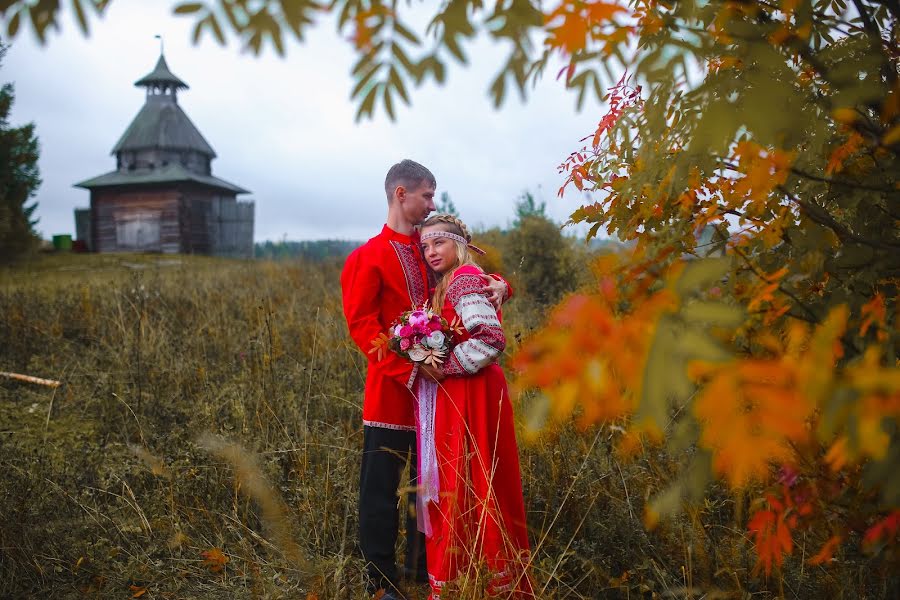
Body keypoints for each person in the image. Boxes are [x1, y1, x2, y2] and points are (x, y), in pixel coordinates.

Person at [340, 160, 510, 600]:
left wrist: (501, 285)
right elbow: (364, 330)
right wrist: (409, 369)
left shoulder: (428, 247)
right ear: (401, 194)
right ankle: (381, 582)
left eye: (434, 198)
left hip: (443, 398)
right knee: (380, 491)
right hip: (391, 395)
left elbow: (466, 271)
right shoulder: (367, 257)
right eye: (427, 196)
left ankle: (426, 568)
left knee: (431, 487)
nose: (432, 204)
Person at [418, 214, 533, 599]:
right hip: (465, 391)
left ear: (458, 244)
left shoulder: (464, 277)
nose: (432, 252)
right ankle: (470, 575)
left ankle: (482, 578)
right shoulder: (453, 280)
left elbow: (490, 338)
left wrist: (443, 367)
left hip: (473, 390)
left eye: (439, 243)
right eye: (426, 247)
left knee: (474, 479)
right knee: (466, 481)